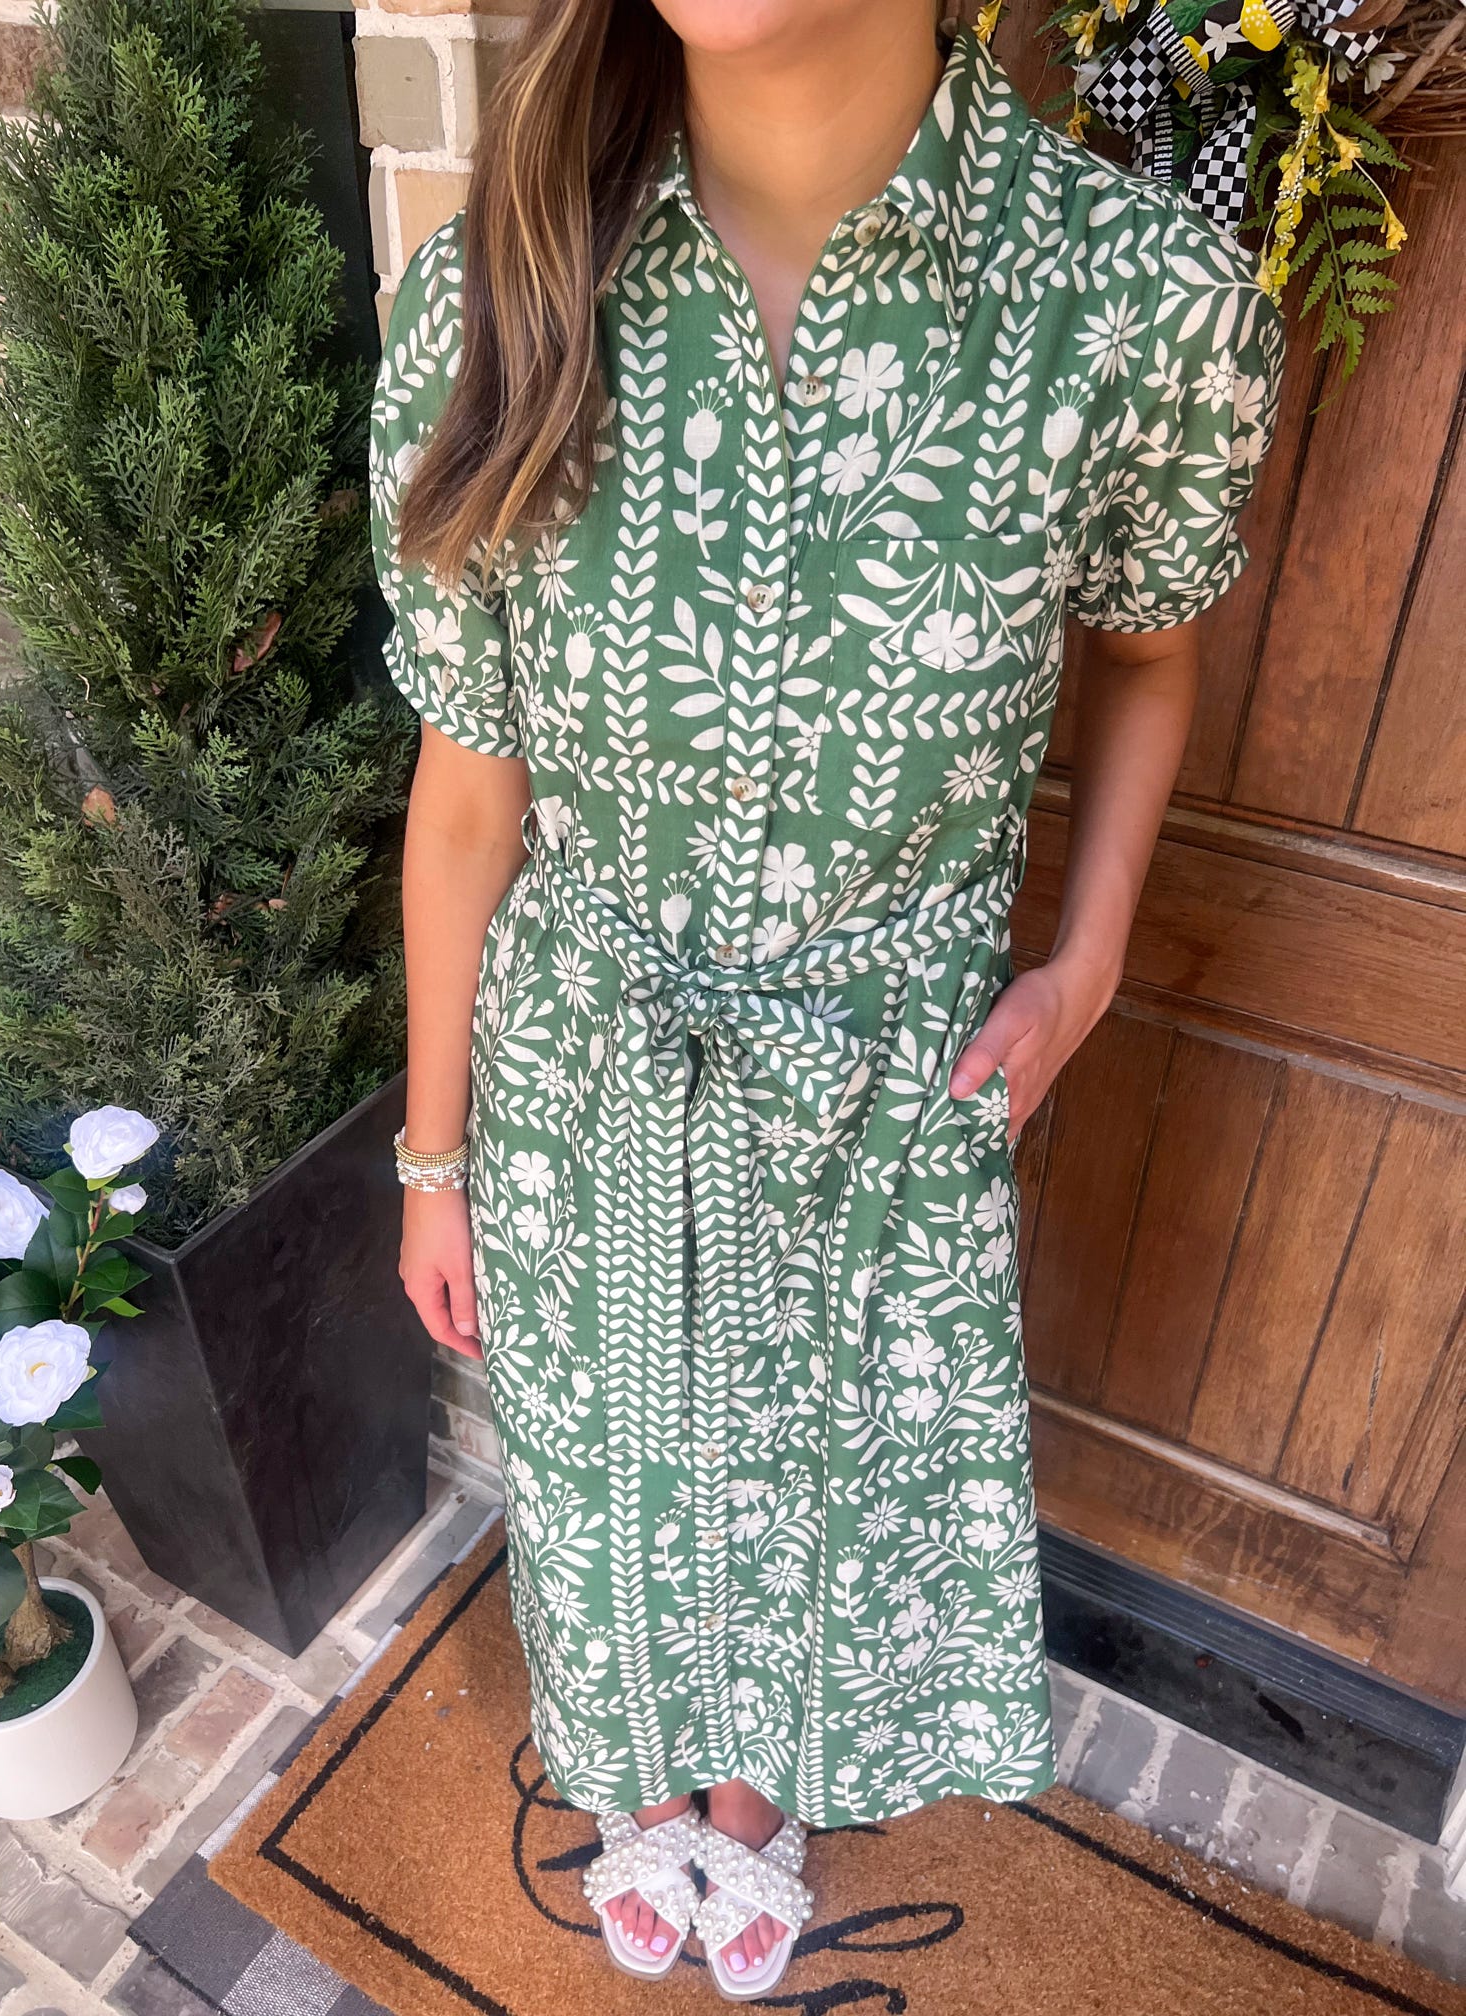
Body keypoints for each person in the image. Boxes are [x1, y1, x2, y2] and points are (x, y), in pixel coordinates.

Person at [369, 0, 1283, 1995]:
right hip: (581, 1069)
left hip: (893, 1085)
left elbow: (1147, 652)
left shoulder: (1131, 305)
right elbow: (464, 799)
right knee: (612, 1476)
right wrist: (431, 1158)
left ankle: (764, 1807)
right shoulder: (498, 295)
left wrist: (1092, 957)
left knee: (829, 1489)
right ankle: (637, 1797)